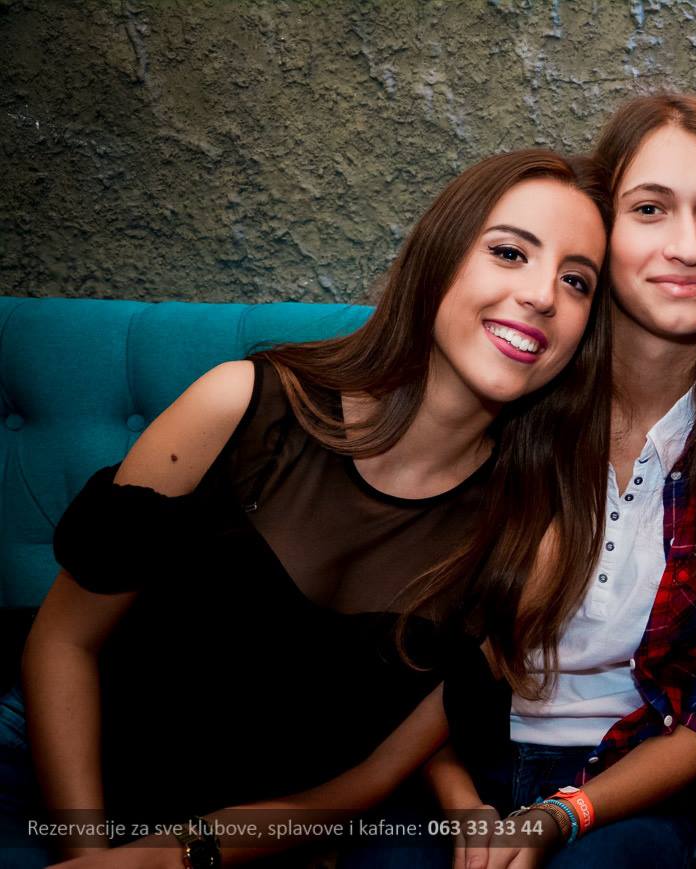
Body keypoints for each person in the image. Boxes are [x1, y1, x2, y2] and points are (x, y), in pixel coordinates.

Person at [1, 149, 613, 868]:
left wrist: (173, 858)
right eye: (510, 252)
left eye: (576, 281)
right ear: (439, 260)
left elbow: (368, 781)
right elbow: (62, 643)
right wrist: (87, 852)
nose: (542, 295)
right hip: (66, 791)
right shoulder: (239, 406)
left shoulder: (527, 540)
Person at [424, 93, 696, 869]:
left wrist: (563, 813)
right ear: (600, 230)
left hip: (634, 780)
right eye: (650, 209)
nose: (687, 246)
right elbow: (412, 654)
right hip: (460, 764)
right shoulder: (514, 383)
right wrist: (461, 804)